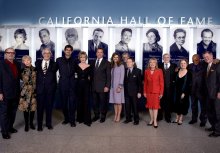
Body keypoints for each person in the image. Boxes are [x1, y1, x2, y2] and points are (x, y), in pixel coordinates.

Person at [0, 48, 21, 139]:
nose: (11, 54)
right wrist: (0, 92)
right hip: (5, 92)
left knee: (13, 112)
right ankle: (4, 132)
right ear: (5, 54)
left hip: (15, 92)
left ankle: (10, 127)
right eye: (9, 53)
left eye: (13, 53)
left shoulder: (17, 63)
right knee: (4, 113)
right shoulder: (1, 64)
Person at [35, 47, 57, 131]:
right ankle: (39, 125)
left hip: (50, 89)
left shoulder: (54, 64)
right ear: (42, 54)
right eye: (45, 53)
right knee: (40, 108)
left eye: (48, 53)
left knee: (49, 108)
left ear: (51, 55)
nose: (47, 55)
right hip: (40, 89)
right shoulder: (37, 62)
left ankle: (48, 124)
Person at [56, 45, 77, 127]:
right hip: (62, 85)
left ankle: (72, 120)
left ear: (71, 51)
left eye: (69, 50)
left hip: (72, 85)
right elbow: (53, 70)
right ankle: (66, 119)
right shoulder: (59, 60)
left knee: (72, 103)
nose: (68, 51)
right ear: (64, 51)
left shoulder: (75, 60)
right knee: (64, 103)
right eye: (66, 50)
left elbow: (79, 71)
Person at [91, 47, 111, 123]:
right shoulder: (92, 62)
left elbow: (109, 76)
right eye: (98, 52)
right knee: (95, 102)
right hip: (94, 87)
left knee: (103, 103)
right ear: (96, 53)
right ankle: (96, 115)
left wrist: (107, 86)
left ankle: (103, 116)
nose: (99, 53)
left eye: (101, 52)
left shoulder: (107, 63)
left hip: (103, 87)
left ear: (103, 54)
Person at [203, 51, 220, 137]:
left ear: (212, 56)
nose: (206, 58)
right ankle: (213, 126)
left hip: (216, 94)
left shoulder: (218, 65)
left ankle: (217, 131)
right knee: (210, 112)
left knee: (217, 113)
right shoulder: (206, 65)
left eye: (208, 56)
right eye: (205, 57)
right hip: (208, 94)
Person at [144, 58, 164, 128]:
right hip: (149, 92)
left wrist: (161, 93)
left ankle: (155, 121)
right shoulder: (146, 71)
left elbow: (161, 83)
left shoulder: (159, 71)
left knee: (155, 107)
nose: (152, 64)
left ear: (156, 64)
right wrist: (144, 92)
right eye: (151, 62)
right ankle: (151, 120)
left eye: (154, 62)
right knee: (150, 107)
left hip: (156, 92)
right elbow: (145, 83)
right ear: (149, 64)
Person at [18, 55, 37, 132]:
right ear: (23, 62)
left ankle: (31, 123)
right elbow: (20, 79)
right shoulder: (21, 70)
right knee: (25, 109)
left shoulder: (36, 69)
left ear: (31, 60)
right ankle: (26, 124)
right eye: (25, 60)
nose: (27, 62)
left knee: (33, 109)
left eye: (28, 60)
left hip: (33, 91)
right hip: (25, 92)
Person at [188, 54, 207, 127]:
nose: (195, 60)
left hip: (201, 90)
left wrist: (217, 60)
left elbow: (213, 62)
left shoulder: (204, 65)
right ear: (192, 59)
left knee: (203, 106)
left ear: (199, 59)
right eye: (194, 58)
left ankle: (203, 120)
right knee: (193, 105)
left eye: (197, 58)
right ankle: (194, 119)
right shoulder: (189, 66)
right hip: (192, 90)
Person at [158, 53, 177, 123]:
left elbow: (176, 76)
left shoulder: (174, 66)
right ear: (163, 58)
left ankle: (167, 117)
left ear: (170, 58)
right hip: (160, 88)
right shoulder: (159, 65)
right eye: (165, 57)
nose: (166, 59)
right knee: (160, 102)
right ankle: (159, 116)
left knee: (168, 103)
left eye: (167, 57)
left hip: (170, 88)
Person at [123, 58, 142, 125]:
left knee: (135, 107)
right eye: (127, 62)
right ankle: (128, 119)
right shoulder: (125, 70)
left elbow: (140, 83)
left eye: (129, 62)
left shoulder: (138, 71)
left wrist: (139, 92)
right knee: (127, 107)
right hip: (126, 92)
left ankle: (136, 120)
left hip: (134, 92)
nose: (128, 63)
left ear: (133, 63)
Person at [173, 59, 191, 125]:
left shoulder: (189, 73)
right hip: (176, 91)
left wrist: (184, 93)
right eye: (181, 63)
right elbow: (174, 81)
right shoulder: (177, 71)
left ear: (187, 64)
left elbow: (189, 85)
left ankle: (181, 118)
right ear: (180, 64)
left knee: (183, 104)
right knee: (177, 104)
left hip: (184, 92)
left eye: (184, 63)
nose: (183, 64)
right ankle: (177, 117)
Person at [76, 51, 92, 126]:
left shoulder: (89, 66)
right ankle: (80, 118)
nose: (83, 58)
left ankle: (87, 120)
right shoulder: (76, 66)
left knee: (86, 101)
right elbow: (74, 76)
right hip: (78, 85)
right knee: (79, 101)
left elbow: (91, 77)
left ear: (86, 58)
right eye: (81, 57)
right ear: (79, 58)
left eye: (84, 57)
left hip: (86, 85)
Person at [109, 52, 125, 122]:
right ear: (112, 58)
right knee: (115, 102)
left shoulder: (121, 66)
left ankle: (118, 115)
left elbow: (122, 77)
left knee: (119, 102)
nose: (115, 58)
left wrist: (120, 86)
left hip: (118, 87)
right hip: (112, 87)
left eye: (117, 57)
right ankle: (115, 114)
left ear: (119, 58)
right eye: (114, 57)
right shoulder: (112, 66)